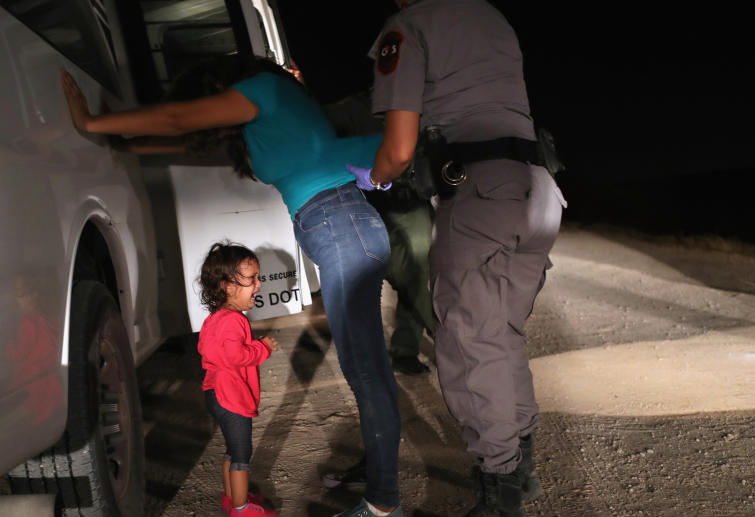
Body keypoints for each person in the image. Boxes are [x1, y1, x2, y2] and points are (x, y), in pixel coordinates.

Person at [61, 55, 403, 516]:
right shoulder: (263, 123)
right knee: (364, 368)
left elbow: (179, 118)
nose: (213, 109)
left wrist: (90, 119)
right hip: (332, 226)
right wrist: (119, 144)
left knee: (365, 370)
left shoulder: (267, 89)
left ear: (220, 85)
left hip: (341, 222)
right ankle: (382, 492)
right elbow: (184, 139)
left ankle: (383, 505)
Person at [350, 1, 567, 515]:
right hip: (540, 189)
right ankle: (522, 467)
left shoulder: (408, 26)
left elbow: (400, 149)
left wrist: (376, 177)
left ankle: (500, 490)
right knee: (503, 338)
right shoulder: (492, 14)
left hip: (478, 191)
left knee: (470, 346)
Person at [324, 90, 435, 377]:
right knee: (368, 276)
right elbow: (322, 142)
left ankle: (407, 349)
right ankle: (448, 336)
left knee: (416, 274)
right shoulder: (349, 108)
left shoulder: (417, 104)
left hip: (410, 200)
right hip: (364, 201)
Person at [197, 243, 279, 516]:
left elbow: (209, 351)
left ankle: (231, 498)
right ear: (228, 286)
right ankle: (242, 509)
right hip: (231, 397)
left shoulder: (215, 319)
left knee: (231, 451)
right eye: (252, 278)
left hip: (215, 393)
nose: (258, 284)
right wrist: (262, 347)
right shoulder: (234, 321)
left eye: (258, 277)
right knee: (242, 455)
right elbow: (236, 356)